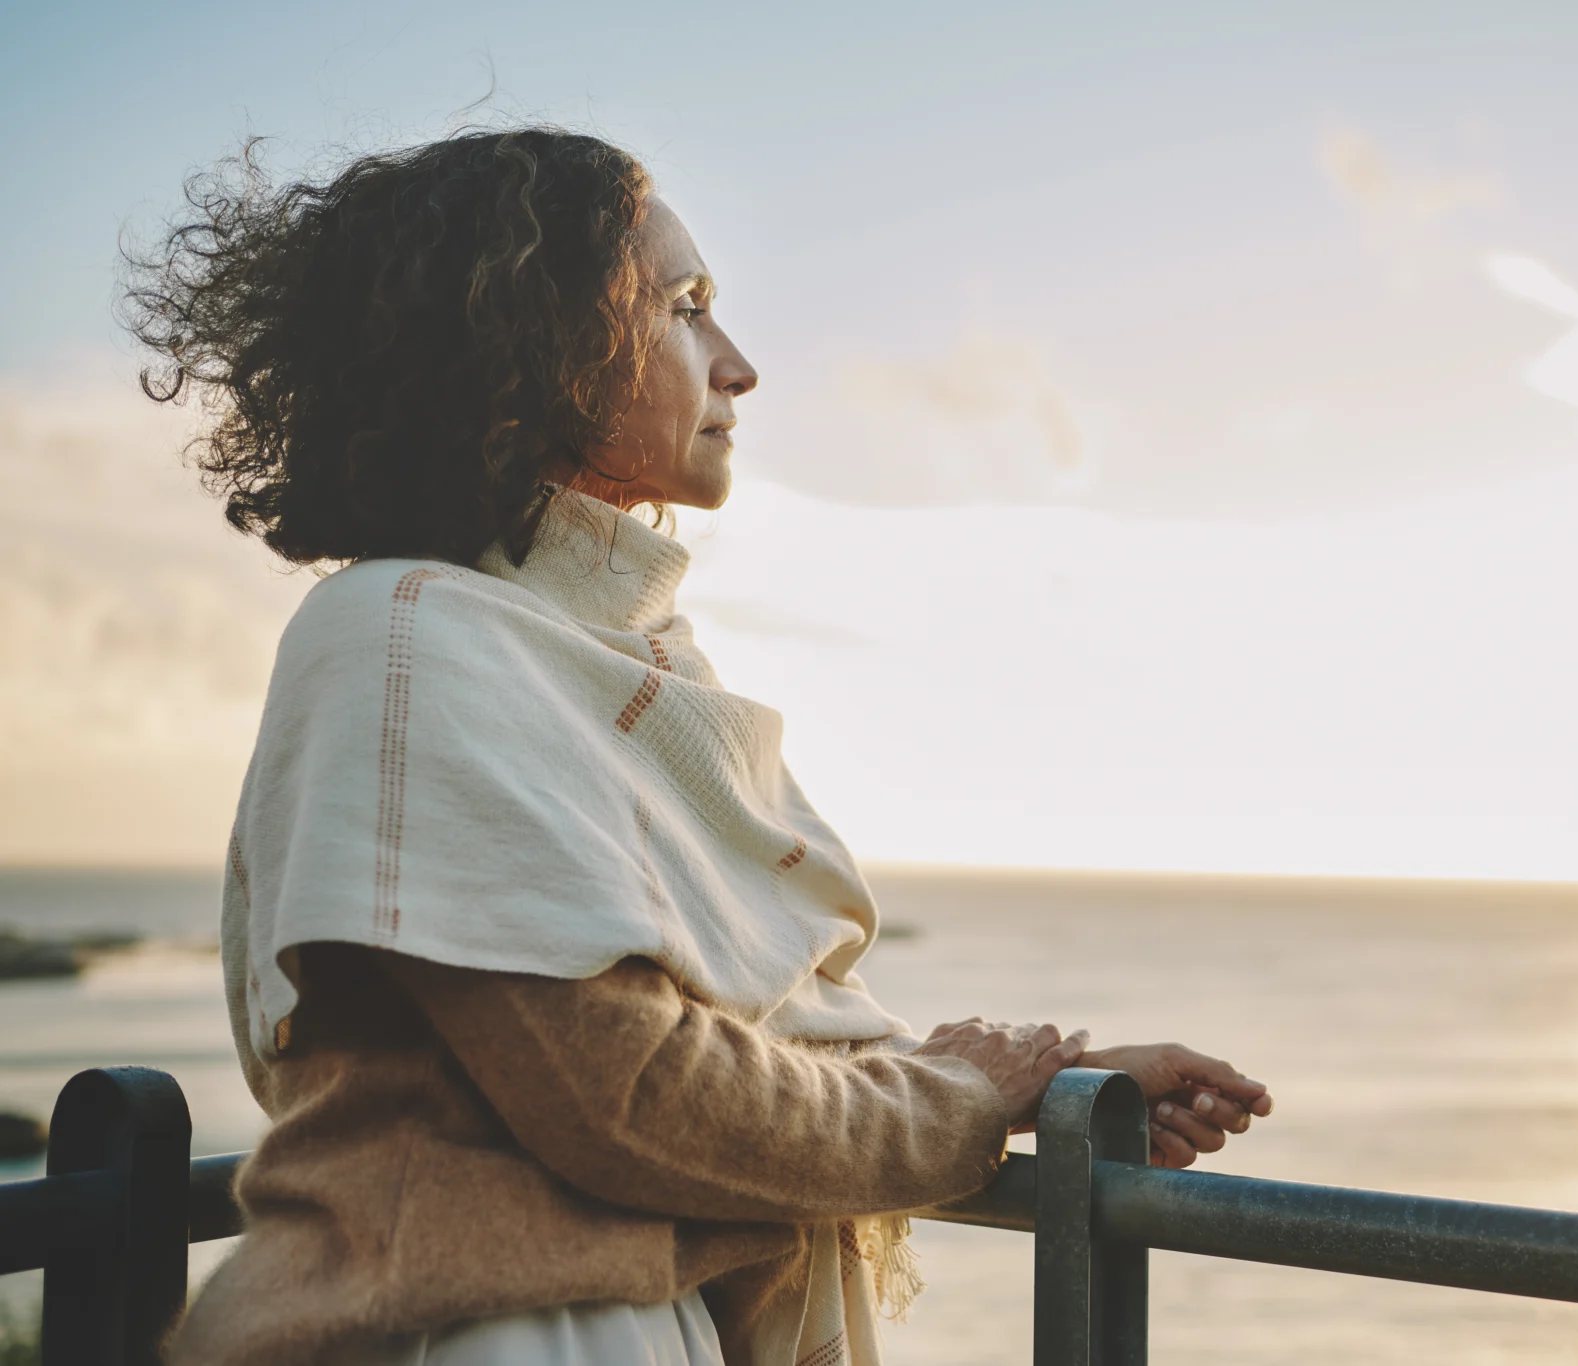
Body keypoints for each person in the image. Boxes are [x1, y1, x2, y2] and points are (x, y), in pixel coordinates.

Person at [123, 127, 1275, 1366]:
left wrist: (1055, 1086)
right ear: (534, 345)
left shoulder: (609, 657)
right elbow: (627, 1095)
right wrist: (955, 1097)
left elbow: (749, 1053)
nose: (739, 367)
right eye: (686, 307)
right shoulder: (405, 635)